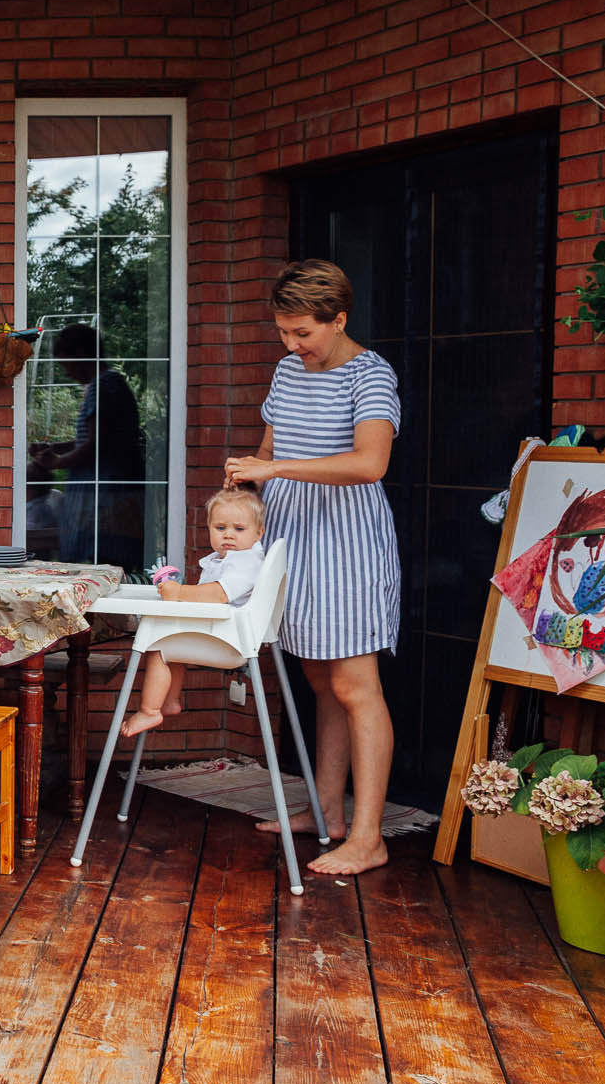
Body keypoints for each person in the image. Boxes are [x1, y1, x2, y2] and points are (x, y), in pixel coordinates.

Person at [225, 259, 400, 877]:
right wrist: (248, 482)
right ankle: (326, 810)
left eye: (302, 333)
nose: (291, 344)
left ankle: (369, 836)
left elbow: (370, 463)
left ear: (339, 319)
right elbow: (269, 449)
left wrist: (275, 470)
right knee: (321, 681)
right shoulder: (287, 371)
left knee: (356, 688)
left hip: (347, 544)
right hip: (291, 539)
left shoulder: (371, 374)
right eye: (283, 331)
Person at [123, 487, 266, 737]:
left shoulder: (244, 562)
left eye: (239, 529)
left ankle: (150, 710)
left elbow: (219, 594)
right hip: (221, 633)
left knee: (157, 645)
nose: (228, 535)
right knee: (171, 643)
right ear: (208, 528)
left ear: (258, 533)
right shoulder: (228, 560)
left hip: (228, 641)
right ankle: (170, 701)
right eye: (220, 528)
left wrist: (179, 592)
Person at [30, 324, 146, 572]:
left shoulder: (103, 387)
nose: (67, 372)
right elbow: (95, 439)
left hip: (105, 495)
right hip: (109, 492)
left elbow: (96, 445)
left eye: (66, 364)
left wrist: (56, 462)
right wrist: (55, 447)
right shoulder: (109, 384)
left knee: (98, 560)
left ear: (81, 355)